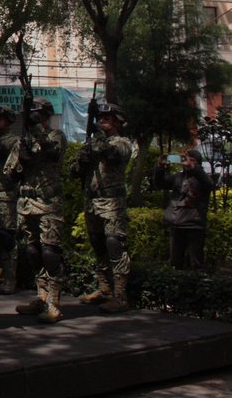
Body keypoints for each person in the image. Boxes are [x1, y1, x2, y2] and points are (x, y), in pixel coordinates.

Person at [75, 101, 135, 313]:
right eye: (99, 118)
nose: (102, 121)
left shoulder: (122, 142)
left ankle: (121, 296)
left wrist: (98, 138)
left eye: (107, 119)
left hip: (111, 202)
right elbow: (77, 171)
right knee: (98, 244)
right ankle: (104, 288)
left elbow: (112, 156)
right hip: (92, 201)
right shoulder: (94, 143)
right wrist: (82, 159)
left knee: (114, 244)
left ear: (117, 122)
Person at [13, 98, 67, 323]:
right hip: (26, 203)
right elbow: (12, 172)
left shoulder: (55, 136)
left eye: (37, 115)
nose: (34, 118)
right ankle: (41, 295)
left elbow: (51, 154)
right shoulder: (22, 140)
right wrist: (20, 160)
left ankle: (54, 302)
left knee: (49, 252)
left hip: (47, 203)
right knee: (32, 251)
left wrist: (35, 134)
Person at [153, 149, 214, 270]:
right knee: (175, 262)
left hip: (194, 225)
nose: (186, 162)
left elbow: (209, 184)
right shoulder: (178, 177)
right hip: (177, 225)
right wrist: (160, 167)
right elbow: (159, 183)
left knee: (196, 263)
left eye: (191, 160)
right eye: (184, 159)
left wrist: (193, 167)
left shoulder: (202, 177)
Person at [0, 103, 21, 294]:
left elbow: (2, 152)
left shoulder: (13, 141)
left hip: (6, 195)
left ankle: (10, 277)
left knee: (6, 237)